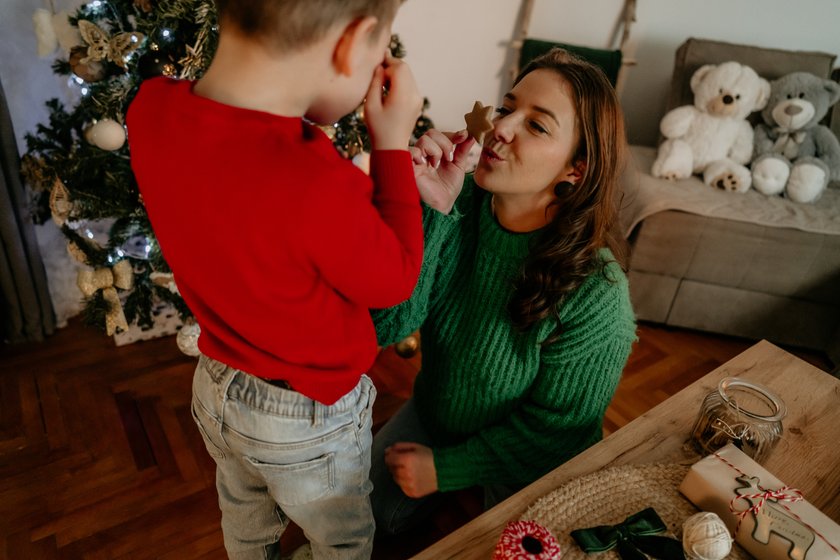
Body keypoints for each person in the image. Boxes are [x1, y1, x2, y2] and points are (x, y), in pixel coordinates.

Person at [126, 1, 424, 558]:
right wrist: (391, 143)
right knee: (344, 541)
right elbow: (395, 278)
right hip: (303, 418)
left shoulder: (149, 108)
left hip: (216, 384)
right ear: (351, 43)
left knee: (245, 522)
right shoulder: (315, 182)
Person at [369, 48, 638, 534]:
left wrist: (447, 470)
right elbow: (388, 326)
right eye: (508, 106)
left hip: (533, 456)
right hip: (437, 414)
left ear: (575, 168)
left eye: (537, 126)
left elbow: (557, 433)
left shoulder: (598, 295)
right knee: (369, 515)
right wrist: (429, 208)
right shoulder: (459, 200)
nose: (502, 127)